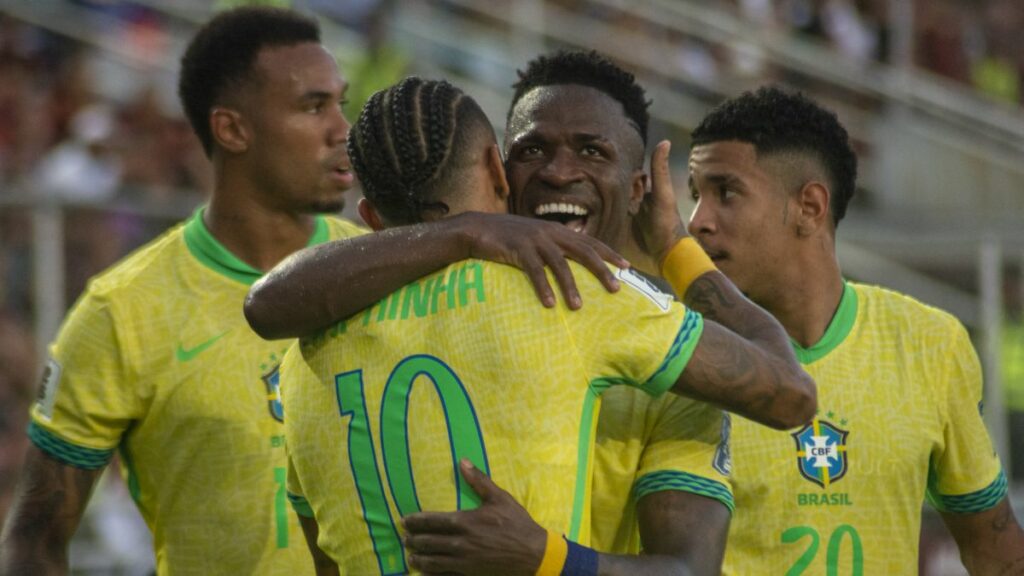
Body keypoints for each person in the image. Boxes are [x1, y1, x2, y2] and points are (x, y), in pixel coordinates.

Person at [279, 74, 813, 576]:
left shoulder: (302, 360)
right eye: (531, 151)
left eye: (591, 151)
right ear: (498, 169)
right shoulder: (575, 297)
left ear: (370, 218)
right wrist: (678, 247)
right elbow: (790, 395)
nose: (559, 172)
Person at [0, 7, 368, 574]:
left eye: (340, 103)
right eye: (313, 106)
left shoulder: (380, 269)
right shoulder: (122, 311)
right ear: (232, 129)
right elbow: (34, 541)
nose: (342, 129)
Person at [686, 86, 1024, 575]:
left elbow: (993, 549)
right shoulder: (677, 353)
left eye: (726, 192)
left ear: (810, 207)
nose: (697, 222)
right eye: (696, 196)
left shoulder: (930, 343)